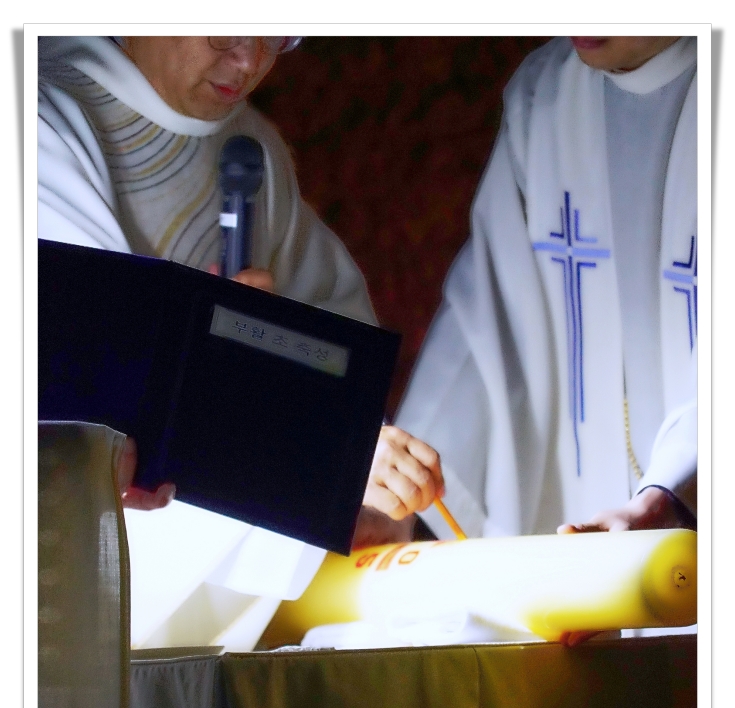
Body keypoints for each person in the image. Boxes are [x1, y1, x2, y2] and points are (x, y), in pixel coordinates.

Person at [38, 35, 445, 525]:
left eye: (276, 34)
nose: (250, 60)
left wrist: (342, 435)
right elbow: (95, 394)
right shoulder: (41, 125)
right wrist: (319, 452)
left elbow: (332, 335)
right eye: (225, 27)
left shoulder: (251, 149)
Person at [395, 36, 697, 541]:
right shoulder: (547, 93)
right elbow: (489, 317)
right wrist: (408, 497)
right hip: (576, 522)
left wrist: (674, 494)